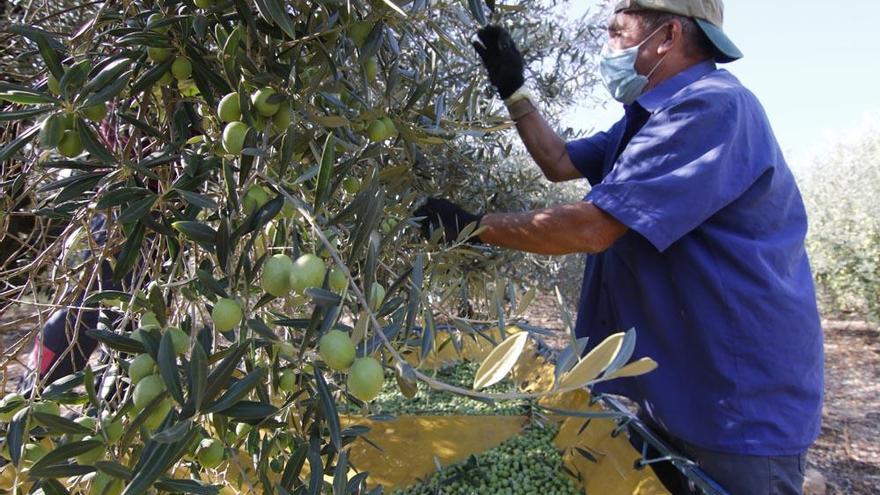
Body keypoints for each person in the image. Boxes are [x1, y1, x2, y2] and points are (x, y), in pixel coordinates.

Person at [415, 1, 824, 494]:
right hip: (682, 391)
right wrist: (513, 88)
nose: (606, 45)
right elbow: (558, 160)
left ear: (667, 36)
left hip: (736, 407)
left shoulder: (713, 107)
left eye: (616, 31)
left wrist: (471, 227)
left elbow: (593, 228)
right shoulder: (647, 120)